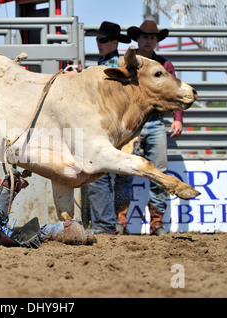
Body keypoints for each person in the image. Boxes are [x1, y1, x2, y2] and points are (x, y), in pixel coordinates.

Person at [115, 20, 184, 236]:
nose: (148, 40)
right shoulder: (129, 64)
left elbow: (175, 90)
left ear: (156, 41)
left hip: (154, 122)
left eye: (152, 37)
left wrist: (178, 117)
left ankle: (156, 222)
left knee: (160, 171)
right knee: (124, 171)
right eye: (145, 37)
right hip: (132, 124)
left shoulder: (165, 65)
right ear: (138, 39)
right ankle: (121, 220)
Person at [81, 21, 131, 235]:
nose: (99, 43)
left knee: (107, 174)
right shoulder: (103, 64)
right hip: (113, 127)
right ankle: (113, 223)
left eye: (103, 40)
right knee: (116, 174)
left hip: (113, 126)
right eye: (98, 40)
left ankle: (108, 224)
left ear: (114, 42)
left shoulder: (118, 66)